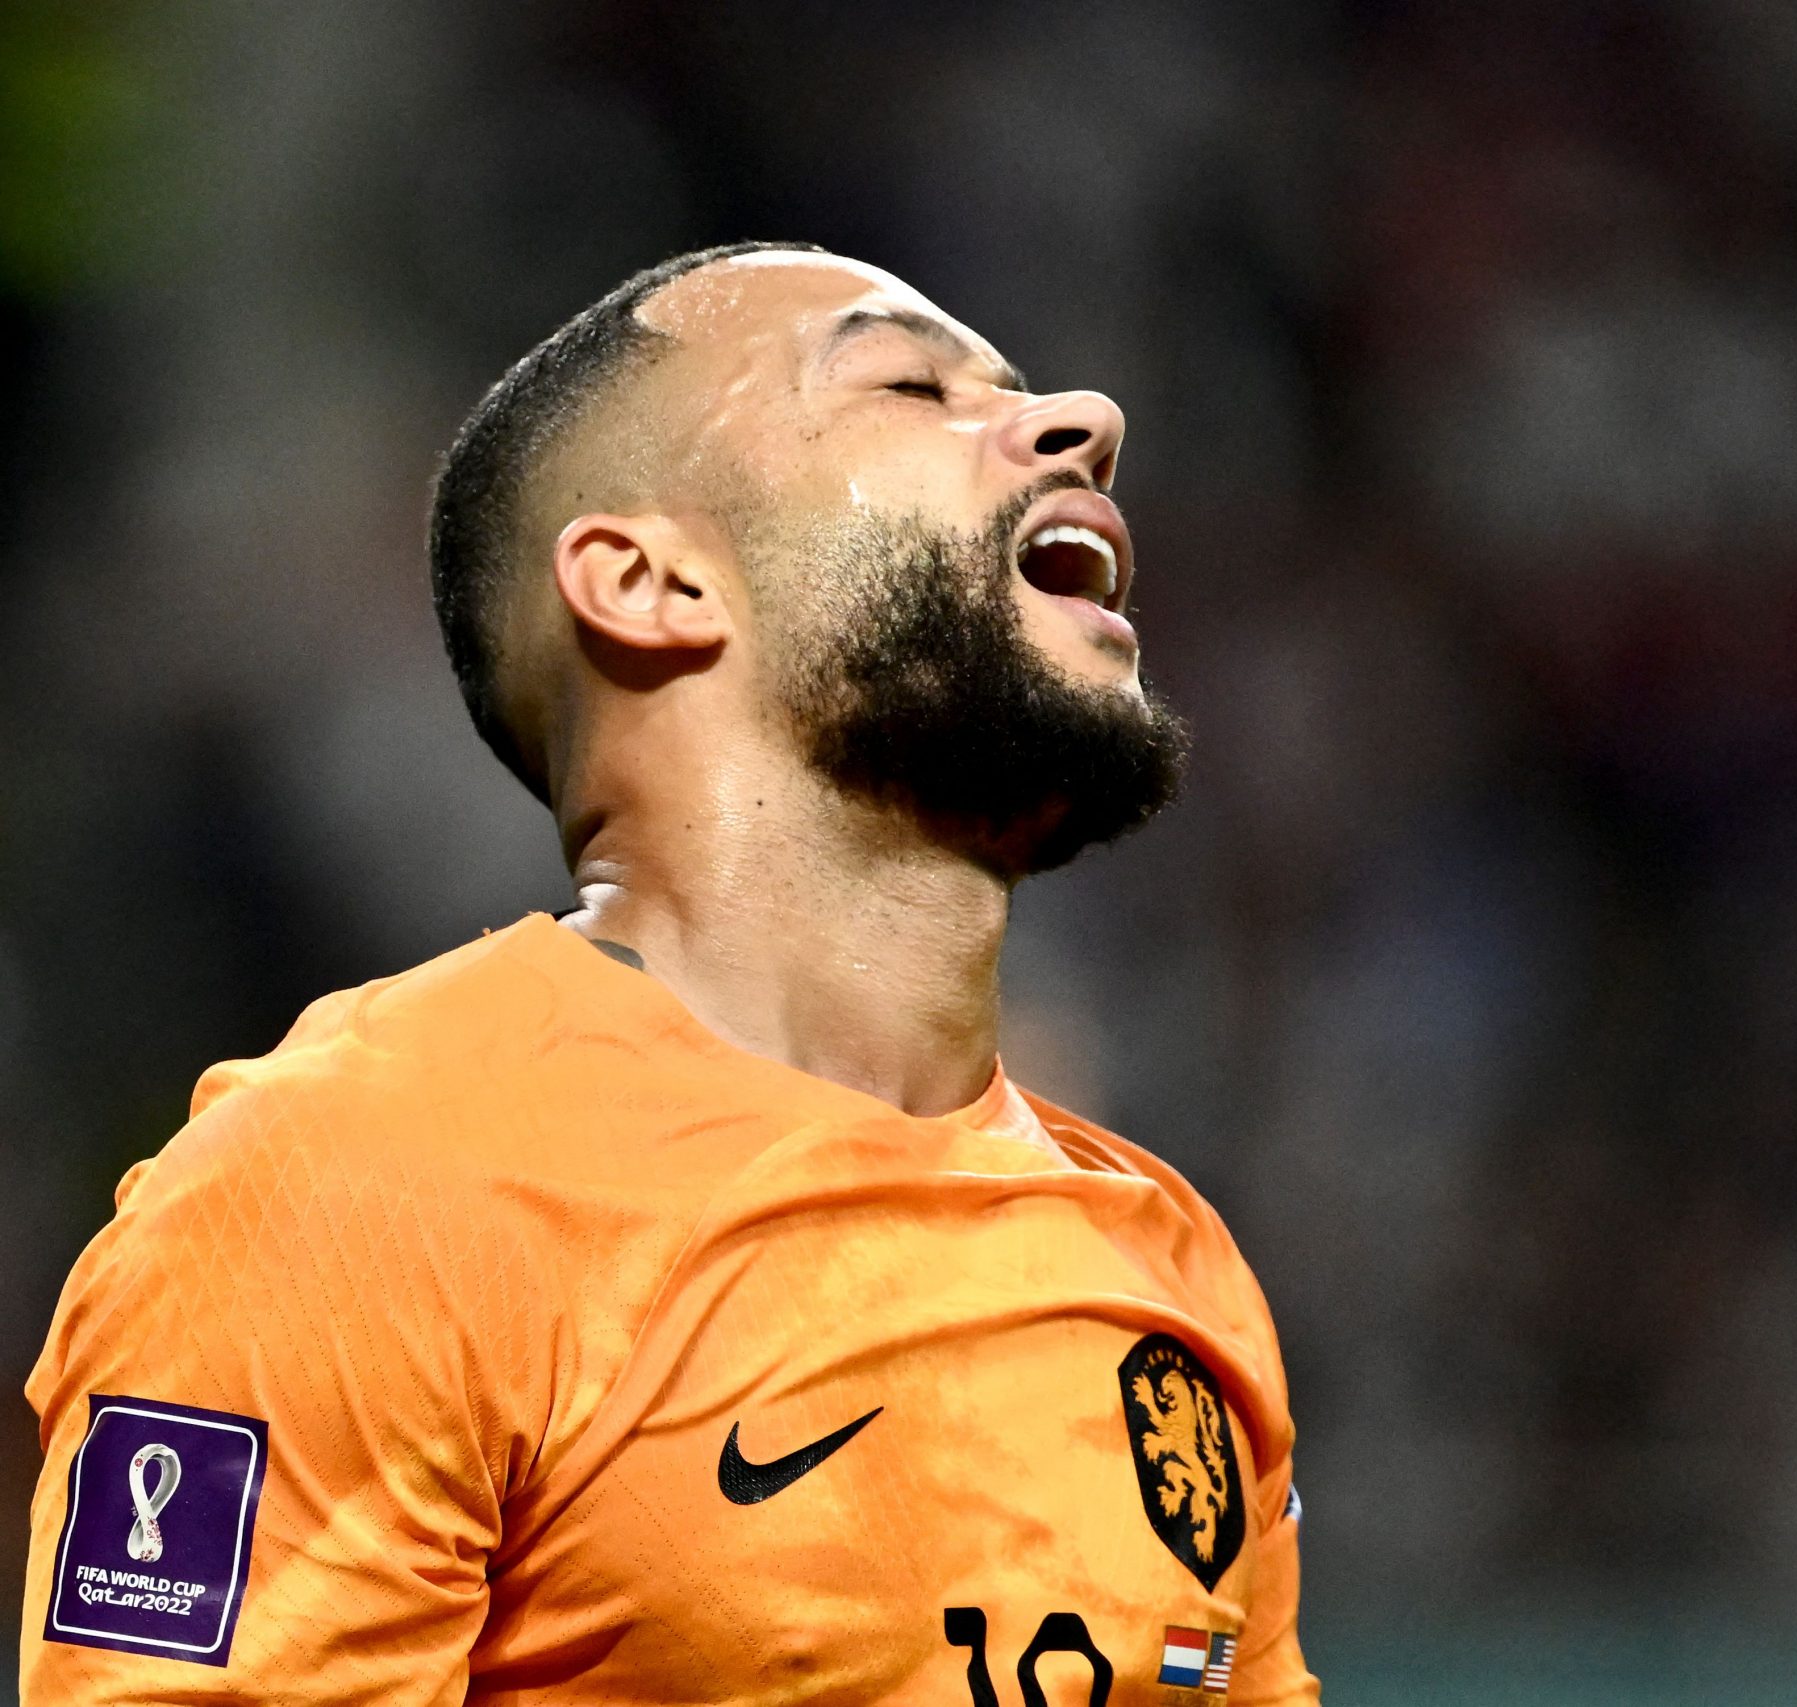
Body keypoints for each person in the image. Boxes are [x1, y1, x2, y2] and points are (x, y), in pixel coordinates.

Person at [20, 243, 1316, 1706]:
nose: (1085, 418)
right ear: (650, 582)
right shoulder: (353, 1193)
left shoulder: (1168, 1263)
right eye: (907, 384)